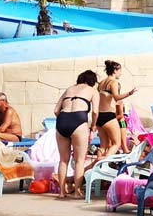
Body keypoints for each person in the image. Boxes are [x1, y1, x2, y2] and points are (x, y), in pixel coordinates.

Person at [52, 70, 97, 198]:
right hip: (79, 119)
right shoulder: (92, 91)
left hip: (62, 120)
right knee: (79, 160)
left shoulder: (69, 89)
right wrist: (93, 127)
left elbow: (56, 110)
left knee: (63, 160)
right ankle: (77, 192)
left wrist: (65, 118)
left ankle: (61, 192)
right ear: (92, 81)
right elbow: (95, 112)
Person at [95, 60, 137, 156]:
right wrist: (129, 93)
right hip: (109, 116)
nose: (121, 73)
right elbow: (116, 98)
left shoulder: (101, 83)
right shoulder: (113, 83)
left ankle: (98, 163)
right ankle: (104, 162)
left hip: (99, 116)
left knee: (103, 146)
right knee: (116, 143)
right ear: (115, 70)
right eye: (120, 71)